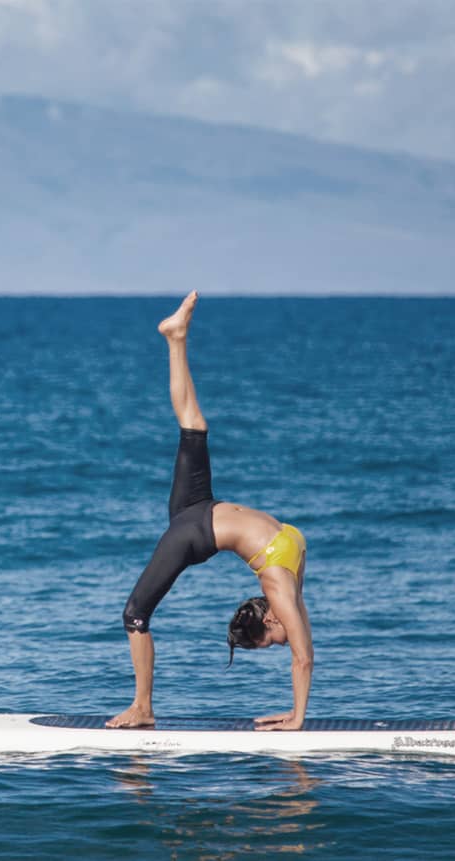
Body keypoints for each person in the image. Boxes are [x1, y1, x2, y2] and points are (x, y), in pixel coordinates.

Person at [106, 291, 313, 731]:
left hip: (202, 512)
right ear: (269, 617)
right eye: (271, 641)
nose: (280, 643)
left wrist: (297, 712)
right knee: (134, 615)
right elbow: (304, 657)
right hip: (194, 527)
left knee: (193, 427)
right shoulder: (281, 585)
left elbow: (301, 647)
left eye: (270, 642)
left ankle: (176, 338)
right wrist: (297, 718)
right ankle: (142, 707)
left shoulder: (288, 584)